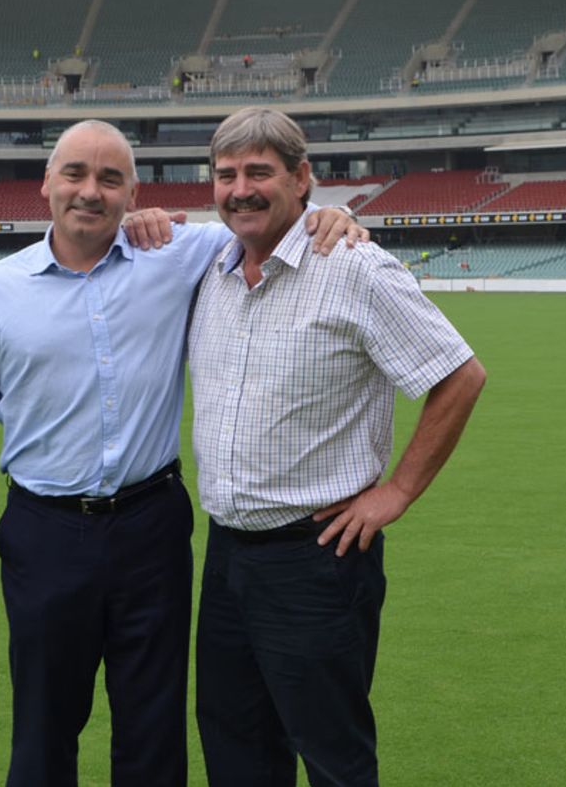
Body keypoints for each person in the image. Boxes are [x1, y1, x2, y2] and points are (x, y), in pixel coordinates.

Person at [0, 119, 364, 787]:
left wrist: (338, 212)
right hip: (46, 532)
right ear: (46, 183)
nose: (89, 191)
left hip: (151, 528)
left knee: (153, 728)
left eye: (110, 178)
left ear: (134, 193)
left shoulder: (180, 255)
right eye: (74, 173)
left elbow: (270, 219)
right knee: (43, 724)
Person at [187, 107, 487, 787]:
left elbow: (460, 375)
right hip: (227, 556)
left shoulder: (356, 268)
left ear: (302, 179)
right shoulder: (210, 265)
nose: (240, 188)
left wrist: (398, 491)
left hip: (317, 558)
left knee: (333, 757)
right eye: (226, 174)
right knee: (236, 751)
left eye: (259, 171)